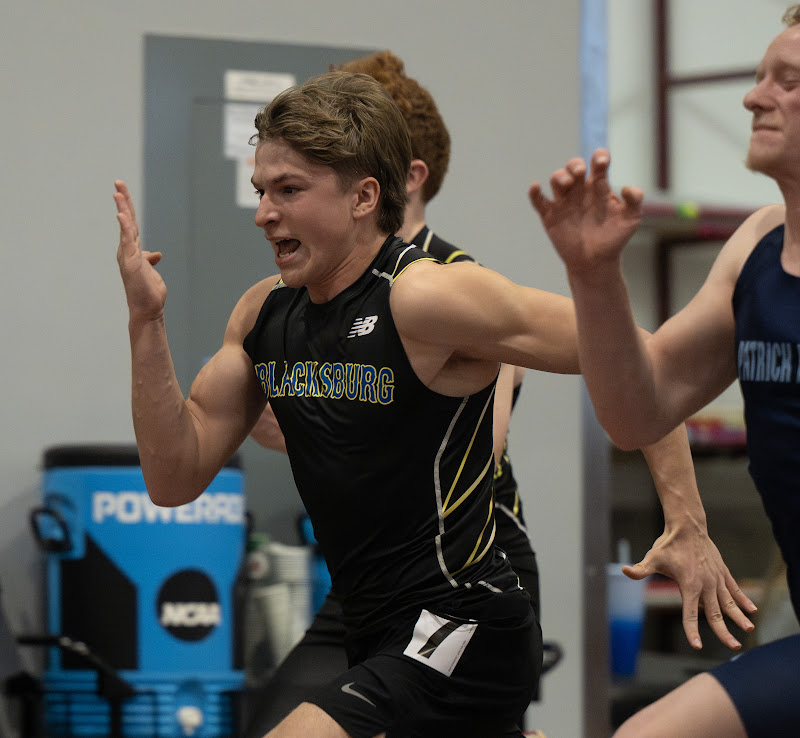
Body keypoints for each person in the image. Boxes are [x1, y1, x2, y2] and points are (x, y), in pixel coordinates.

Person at [115, 71, 752, 738]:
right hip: (369, 621)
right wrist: (145, 323)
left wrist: (687, 521)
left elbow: (642, 359)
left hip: (465, 615)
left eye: (289, 191)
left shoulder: (425, 297)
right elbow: (172, 476)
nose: (264, 213)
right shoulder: (264, 313)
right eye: (261, 191)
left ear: (364, 196)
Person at [243, 51, 544, 737]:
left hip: (463, 569)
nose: (272, 211)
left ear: (386, 183)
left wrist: (686, 518)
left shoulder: (451, 287)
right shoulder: (307, 300)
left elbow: (623, 359)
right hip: (366, 585)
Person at [531, 6, 800, 736]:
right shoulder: (756, 248)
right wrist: (594, 279)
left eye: (788, 82)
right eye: (757, 78)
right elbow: (638, 411)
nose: (753, 97)